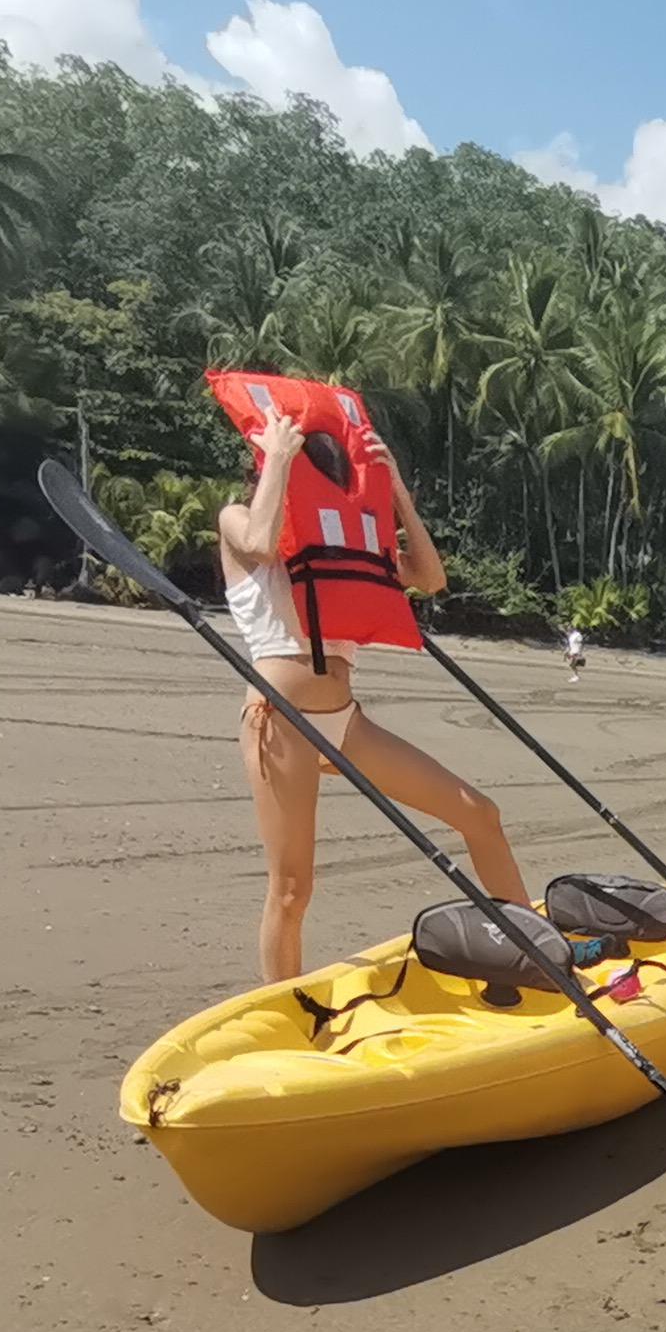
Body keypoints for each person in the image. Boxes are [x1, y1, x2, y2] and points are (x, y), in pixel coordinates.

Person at [218, 409, 526, 983]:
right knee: (291, 889)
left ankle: (535, 954)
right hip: (279, 720)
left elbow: (430, 578)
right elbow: (261, 543)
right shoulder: (238, 517)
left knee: (478, 813)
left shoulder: (343, 538)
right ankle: (289, 1014)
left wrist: (400, 498)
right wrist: (281, 458)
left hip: (345, 722)